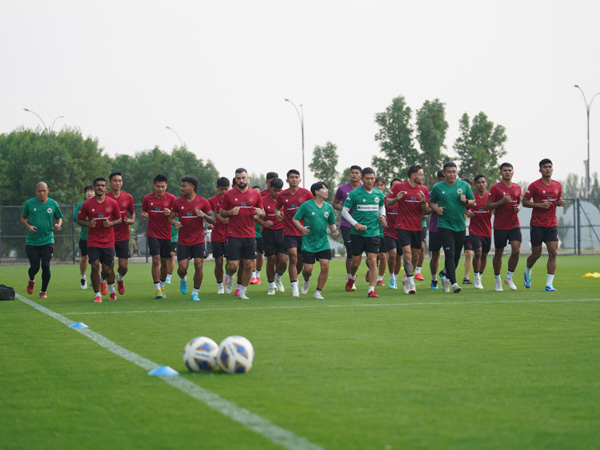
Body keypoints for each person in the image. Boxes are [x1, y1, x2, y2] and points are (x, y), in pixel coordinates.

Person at [429, 162, 475, 293]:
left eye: (454, 171)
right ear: (444, 173)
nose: (452, 174)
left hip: (460, 225)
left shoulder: (464, 185)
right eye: (449, 172)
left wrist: (465, 201)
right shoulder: (438, 187)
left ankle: (446, 277)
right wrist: (437, 209)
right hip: (444, 225)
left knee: (456, 256)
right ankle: (454, 283)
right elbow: (431, 202)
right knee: (449, 253)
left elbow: (472, 201)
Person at [220, 168, 265, 300]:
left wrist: (260, 213)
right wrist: (229, 213)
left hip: (250, 235)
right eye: (238, 178)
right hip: (233, 234)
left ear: (248, 178)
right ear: (235, 179)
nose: (241, 180)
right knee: (233, 265)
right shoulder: (228, 195)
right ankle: (230, 276)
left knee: (249, 265)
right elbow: (222, 212)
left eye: (243, 178)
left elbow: (263, 213)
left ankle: (242, 292)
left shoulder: (255, 195)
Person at [342, 167, 387, 298]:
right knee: (355, 262)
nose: (370, 181)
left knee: (373, 260)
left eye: (372, 178)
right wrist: (355, 224)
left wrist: (382, 216)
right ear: (362, 179)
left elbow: (381, 207)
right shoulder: (354, 194)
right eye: (367, 178)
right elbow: (344, 212)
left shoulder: (378, 194)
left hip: (373, 232)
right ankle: (351, 277)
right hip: (357, 234)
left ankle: (371, 290)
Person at [523, 159, 567, 291]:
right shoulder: (534, 186)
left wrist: (560, 203)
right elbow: (524, 202)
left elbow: (557, 200)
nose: (548, 169)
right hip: (537, 224)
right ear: (540, 170)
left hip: (551, 224)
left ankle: (549, 284)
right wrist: (539, 205)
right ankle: (527, 270)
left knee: (553, 252)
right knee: (536, 255)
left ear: (552, 169)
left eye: (550, 167)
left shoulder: (557, 185)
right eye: (545, 167)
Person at [77, 177, 122, 302]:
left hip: (108, 240)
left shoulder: (112, 203)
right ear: (94, 187)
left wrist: (111, 223)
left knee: (108, 269)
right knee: (95, 266)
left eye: (102, 185)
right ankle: (97, 295)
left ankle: (104, 281)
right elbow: (79, 219)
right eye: (98, 186)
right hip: (93, 240)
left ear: (105, 188)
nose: (100, 188)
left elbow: (119, 219)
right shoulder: (87, 204)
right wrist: (88, 224)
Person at [170, 176, 215, 301]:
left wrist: (204, 215)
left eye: (184, 186)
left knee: (199, 265)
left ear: (192, 187)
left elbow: (214, 219)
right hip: (183, 240)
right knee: (182, 268)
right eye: (181, 186)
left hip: (198, 239)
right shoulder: (177, 202)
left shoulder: (203, 202)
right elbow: (171, 218)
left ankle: (195, 292)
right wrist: (174, 223)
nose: (181, 188)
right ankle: (183, 278)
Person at [388, 165, 429, 294]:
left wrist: (423, 202)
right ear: (413, 176)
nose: (422, 177)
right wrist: (396, 199)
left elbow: (425, 211)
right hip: (402, 226)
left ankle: (407, 279)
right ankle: (412, 283)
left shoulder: (424, 189)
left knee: (415, 256)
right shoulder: (399, 187)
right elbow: (388, 202)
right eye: (421, 175)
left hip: (417, 226)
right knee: (407, 254)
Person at [292, 181, 338, 299]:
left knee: (325, 266)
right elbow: (295, 219)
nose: (326, 191)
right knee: (308, 269)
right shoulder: (306, 205)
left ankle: (318, 292)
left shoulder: (328, 207)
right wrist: (301, 228)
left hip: (323, 242)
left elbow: (331, 222)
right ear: (316, 192)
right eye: (324, 189)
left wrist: (334, 230)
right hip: (308, 242)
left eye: (327, 189)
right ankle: (306, 279)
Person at [21, 181, 63, 298]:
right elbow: (23, 218)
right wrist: (28, 226)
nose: (42, 193)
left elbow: (59, 218)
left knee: (46, 265)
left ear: (48, 191)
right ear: (36, 192)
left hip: (47, 240)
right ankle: (31, 279)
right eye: (39, 191)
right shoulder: (29, 203)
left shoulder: (53, 203)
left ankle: (43, 291)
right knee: (35, 267)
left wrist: (58, 224)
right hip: (32, 241)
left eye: (44, 191)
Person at [275, 169, 314, 297]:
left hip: (304, 231)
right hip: (289, 231)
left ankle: (303, 279)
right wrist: (278, 214)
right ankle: (294, 289)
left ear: (300, 180)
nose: (294, 179)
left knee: (302, 262)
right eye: (291, 177)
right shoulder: (282, 195)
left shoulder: (306, 193)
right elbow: (277, 208)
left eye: (296, 177)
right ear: (287, 180)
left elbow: (314, 206)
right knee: (292, 256)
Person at [140, 174, 177, 299]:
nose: (160, 189)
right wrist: (143, 215)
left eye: (163, 187)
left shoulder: (171, 198)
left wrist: (170, 213)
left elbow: (177, 214)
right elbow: (143, 212)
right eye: (158, 187)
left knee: (165, 262)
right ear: (153, 186)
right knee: (156, 259)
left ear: (166, 186)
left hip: (166, 234)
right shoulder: (148, 198)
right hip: (153, 233)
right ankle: (157, 289)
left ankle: (162, 286)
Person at [487, 162, 522, 292]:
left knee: (516, 250)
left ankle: (509, 277)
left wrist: (518, 207)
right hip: (500, 225)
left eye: (510, 170)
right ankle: (497, 279)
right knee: (499, 253)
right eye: (505, 170)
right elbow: (488, 206)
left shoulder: (517, 187)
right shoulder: (495, 188)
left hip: (514, 224)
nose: (507, 172)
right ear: (500, 172)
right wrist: (502, 201)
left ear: (513, 172)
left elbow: (519, 203)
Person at [257, 178, 288, 295]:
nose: (278, 193)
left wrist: (286, 216)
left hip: (283, 232)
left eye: (280, 190)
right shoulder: (263, 200)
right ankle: (271, 287)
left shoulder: (286, 200)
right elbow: (256, 216)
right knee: (271, 260)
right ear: (270, 188)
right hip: (268, 233)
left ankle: (278, 277)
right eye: (275, 190)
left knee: (284, 261)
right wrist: (263, 222)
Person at [333, 165, 362, 290]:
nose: (354, 175)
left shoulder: (364, 188)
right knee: (350, 251)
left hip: (361, 224)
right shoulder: (342, 188)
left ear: (361, 175)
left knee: (358, 253)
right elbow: (334, 203)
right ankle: (351, 277)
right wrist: (344, 209)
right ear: (349, 175)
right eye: (352, 173)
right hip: (346, 224)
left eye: (357, 173)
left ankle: (352, 276)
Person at [106, 172, 135, 296]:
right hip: (108, 237)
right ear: (109, 182)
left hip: (124, 236)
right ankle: (112, 291)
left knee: (123, 266)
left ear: (122, 183)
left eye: (119, 181)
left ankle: (120, 278)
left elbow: (132, 212)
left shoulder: (128, 197)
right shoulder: (105, 198)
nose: (117, 183)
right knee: (109, 266)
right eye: (115, 180)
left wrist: (132, 220)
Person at [467, 174, 492, 290]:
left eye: (483, 182)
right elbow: (462, 207)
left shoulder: (490, 198)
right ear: (475, 185)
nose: (481, 184)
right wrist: (466, 212)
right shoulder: (472, 197)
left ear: (486, 184)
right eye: (478, 182)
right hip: (474, 229)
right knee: (478, 252)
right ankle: (476, 277)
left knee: (485, 254)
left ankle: (480, 275)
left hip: (487, 230)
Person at [208, 177, 231, 294]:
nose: (224, 192)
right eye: (221, 189)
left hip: (231, 235)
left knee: (230, 262)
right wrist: (208, 223)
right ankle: (220, 285)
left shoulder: (233, 199)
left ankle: (228, 278)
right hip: (217, 235)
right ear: (217, 188)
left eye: (226, 189)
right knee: (218, 261)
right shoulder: (211, 201)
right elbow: (207, 216)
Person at [73, 185, 94, 289]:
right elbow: (75, 218)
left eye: (91, 191)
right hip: (85, 237)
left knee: (97, 259)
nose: (89, 193)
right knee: (85, 257)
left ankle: (95, 278)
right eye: (87, 191)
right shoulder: (81, 205)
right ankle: (83, 277)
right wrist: (88, 219)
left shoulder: (100, 204)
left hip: (98, 237)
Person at [383, 177, 402, 289]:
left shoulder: (405, 201)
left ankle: (396, 276)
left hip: (402, 232)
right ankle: (392, 278)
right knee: (392, 254)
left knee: (399, 257)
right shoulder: (386, 200)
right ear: (391, 188)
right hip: (389, 232)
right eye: (395, 187)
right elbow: (380, 211)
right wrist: (382, 219)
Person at [428, 170, 445, 289]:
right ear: (438, 179)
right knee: (435, 255)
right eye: (443, 177)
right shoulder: (431, 193)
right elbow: (425, 211)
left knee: (452, 254)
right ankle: (434, 279)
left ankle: (444, 273)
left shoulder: (454, 191)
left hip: (450, 227)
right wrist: (435, 208)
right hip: (435, 227)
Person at [250, 185, 264, 285]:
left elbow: (265, 215)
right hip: (250, 233)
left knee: (260, 254)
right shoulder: (249, 204)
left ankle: (258, 275)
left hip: (261, 234)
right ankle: (253, 276)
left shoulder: (262, 205)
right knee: (252, 255)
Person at [462, 178, 474, 284]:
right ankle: (446, 273)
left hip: (468, 230)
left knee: (469, 253)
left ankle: (466, 277)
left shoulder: (472, 200)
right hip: (455, 229)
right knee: (453, 254)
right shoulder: (454, 198)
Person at [165, 217, 178, 284]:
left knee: (171, 257)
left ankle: (168, 277)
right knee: (165, 258)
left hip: (174, 238)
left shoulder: (177, 215)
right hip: (165, 237)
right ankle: (163, 275)